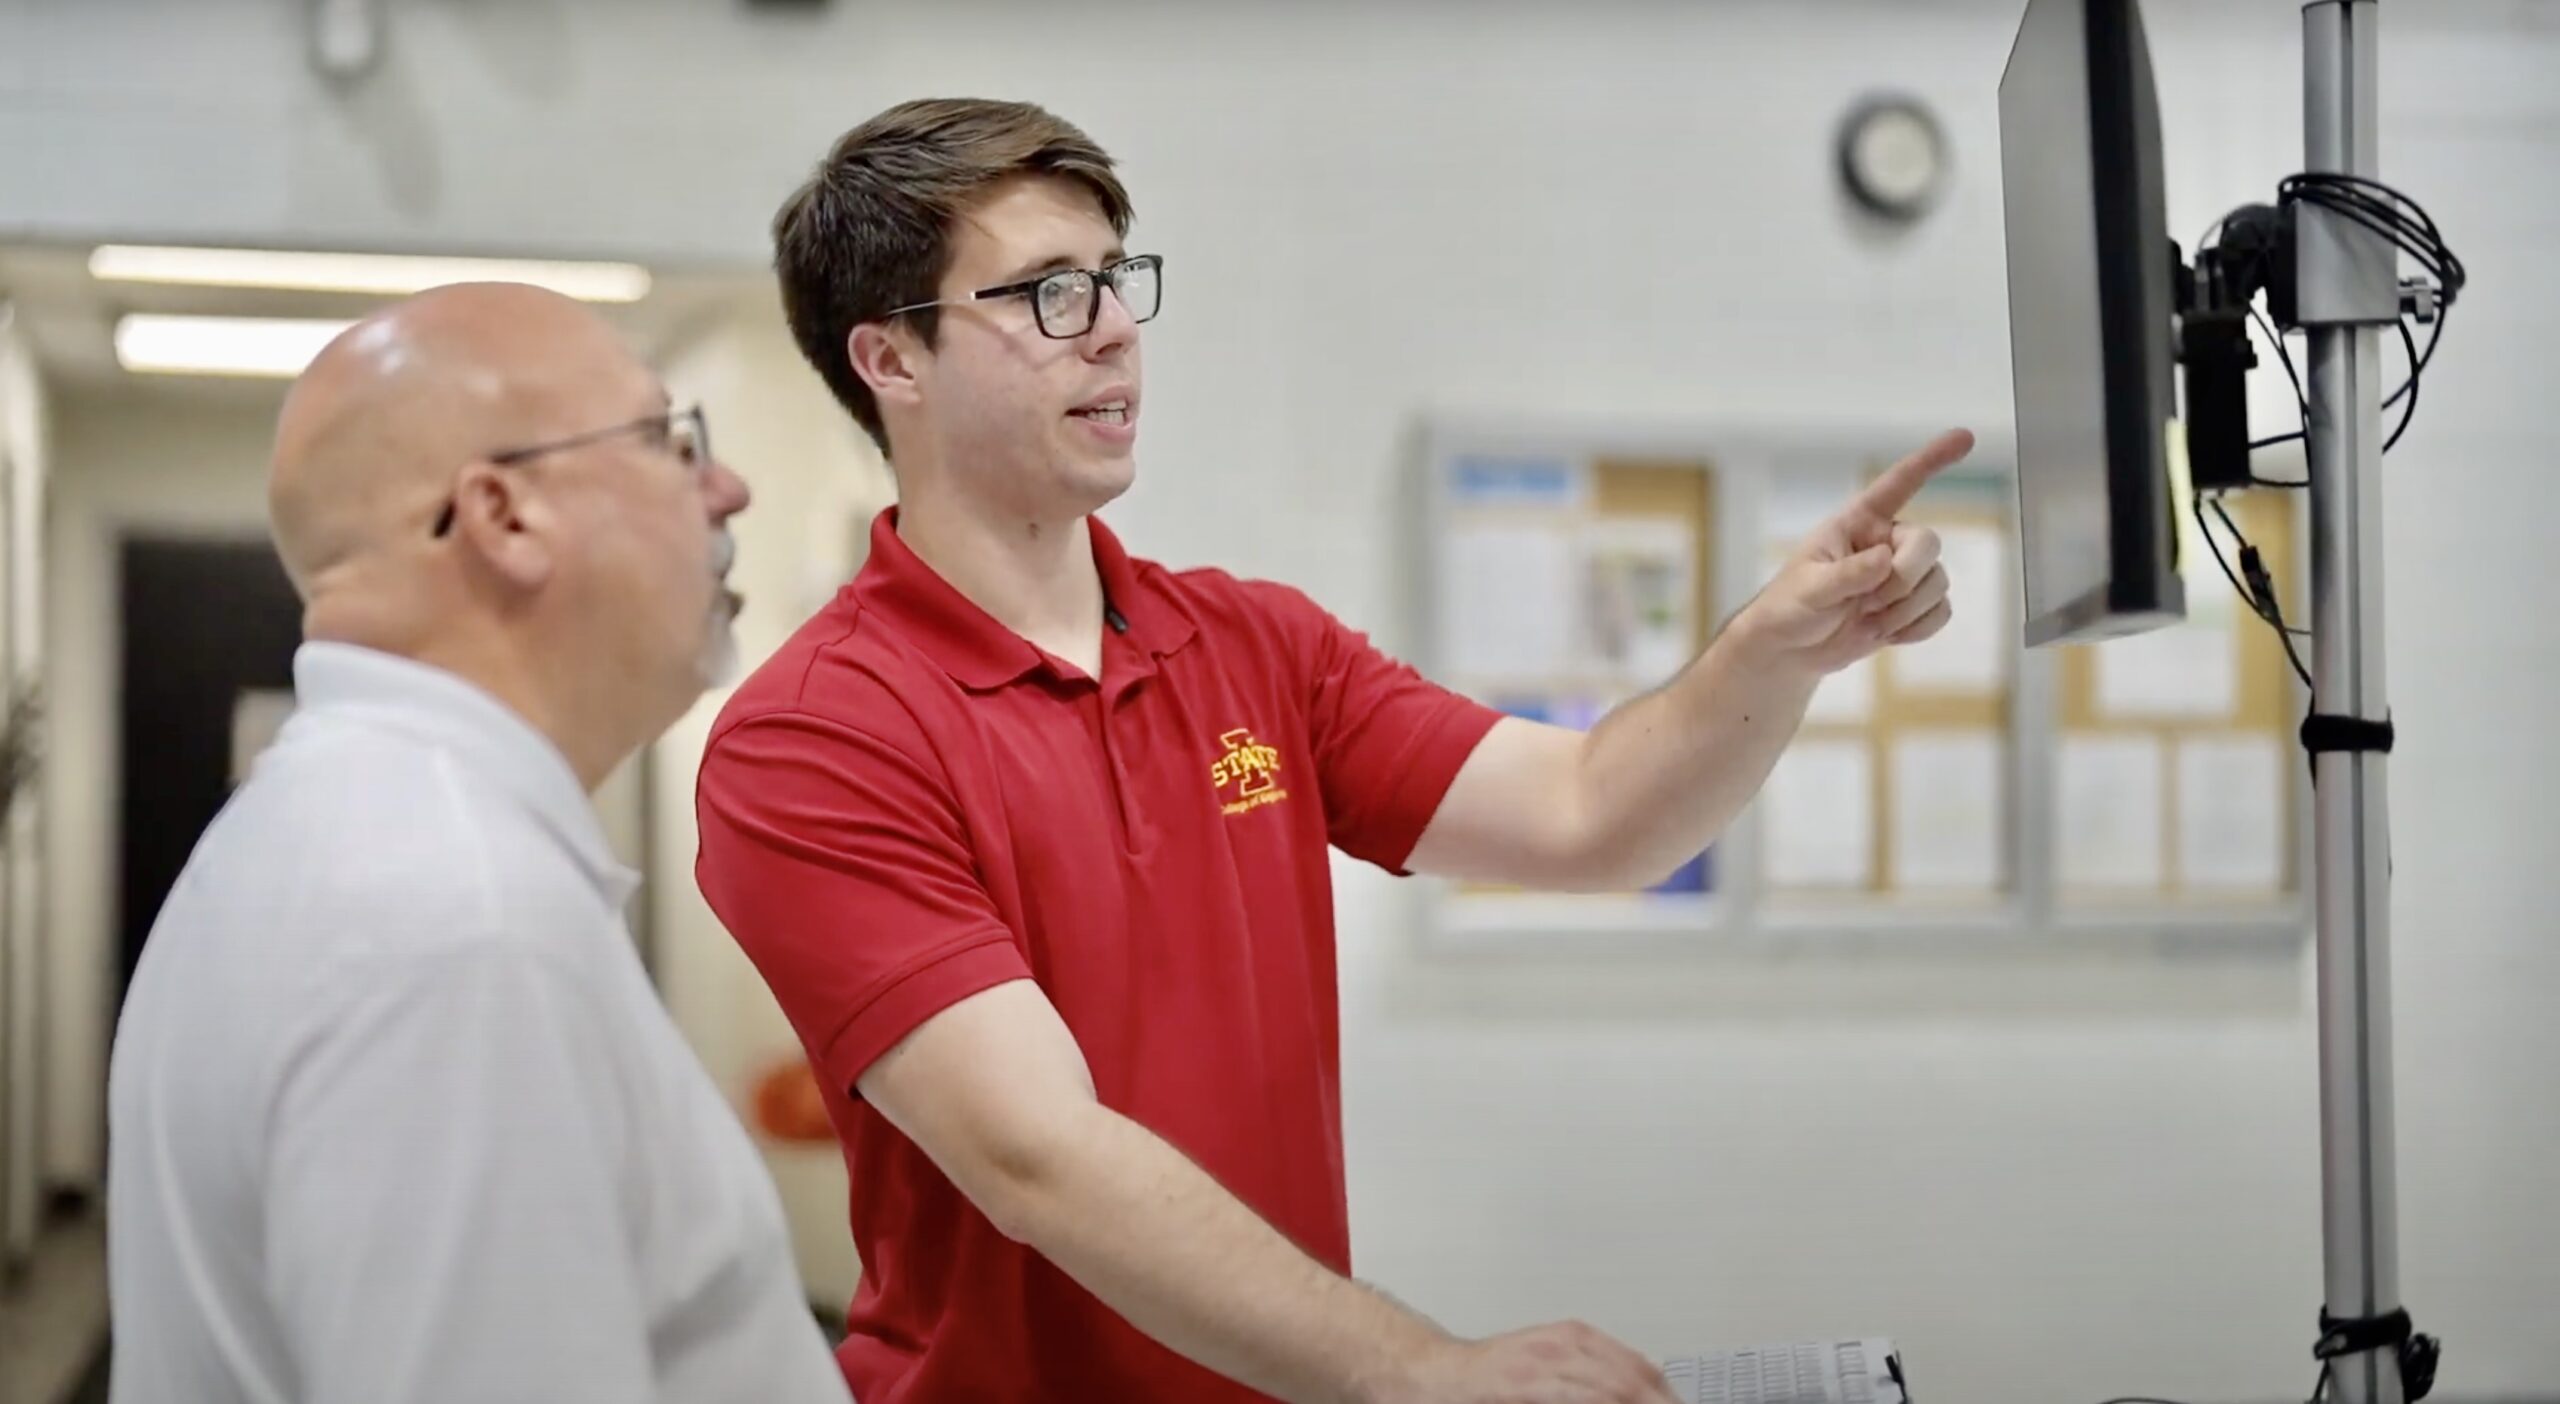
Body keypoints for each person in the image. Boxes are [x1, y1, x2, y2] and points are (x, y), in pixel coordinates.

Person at [694, 98, 1964, 1404]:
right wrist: (1417, 1370)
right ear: (891, 360)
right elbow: (1037, 1154)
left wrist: (1778, 651)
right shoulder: (815, 740)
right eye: (1048, 293)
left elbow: (1592, 812)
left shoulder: (1255, 645)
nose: (1116, 327)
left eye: (1118, 279)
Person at [105, 282, 849, 1404]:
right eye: (670, 442)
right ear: (503, 516)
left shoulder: (334, 839)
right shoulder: (458, 922)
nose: (729, 488)